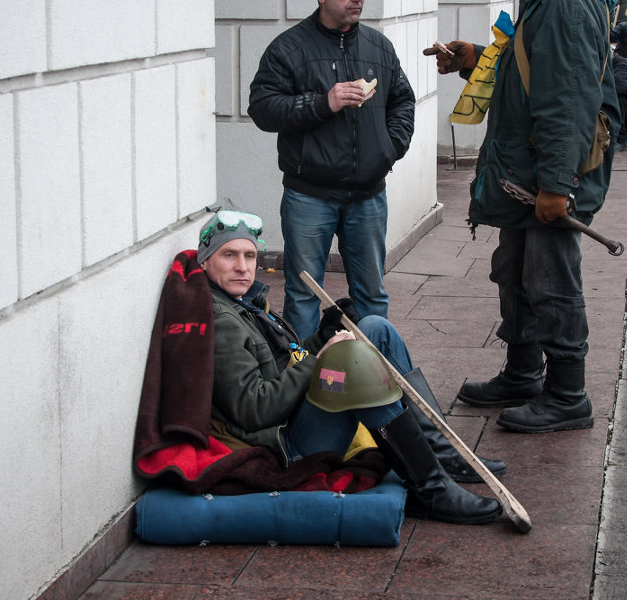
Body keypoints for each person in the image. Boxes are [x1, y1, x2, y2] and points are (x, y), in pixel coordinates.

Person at [427, 0, 620, 433]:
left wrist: (557, 186)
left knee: (551, 280)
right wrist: (471, 60)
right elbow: (530, 72)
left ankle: (567, 394)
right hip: (523, 176)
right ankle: (523, 372)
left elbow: (568, 101)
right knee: (514, 274)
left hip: (544, 178)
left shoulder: (568, 2)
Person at [197, 210, 504, 525]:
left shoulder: (244, 303)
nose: (242, 267)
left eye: (249, 255)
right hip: (288, 444)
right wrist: (322, 359)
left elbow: (283, 362)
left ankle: (440, 452)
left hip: (297, 418)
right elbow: (254, 409)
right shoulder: (222, 321)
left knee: (375, 328)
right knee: (352, 362)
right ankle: (431, 489)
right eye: (229, 255)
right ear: (205, 261)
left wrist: (321, 338)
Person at [248, 0, 416, 338]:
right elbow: (262, 109)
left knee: (372, 295)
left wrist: (388, 149)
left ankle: (378, 377)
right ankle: (303, 381)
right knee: (305, 293)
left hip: (368, 196)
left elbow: (402, 101)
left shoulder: (378, 48)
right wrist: (323, 102)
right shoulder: (288, 49)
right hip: (309, 195)